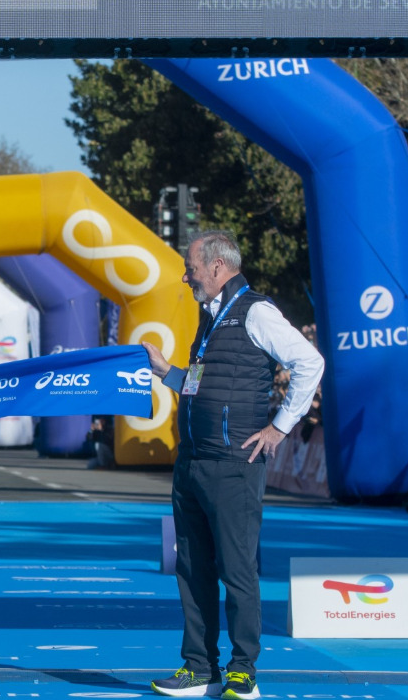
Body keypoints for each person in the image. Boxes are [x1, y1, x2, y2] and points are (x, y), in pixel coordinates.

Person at [142, 230, 324, 700]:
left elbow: (310, 362)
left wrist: (279, 428)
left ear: (217, 267)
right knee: (192, 569)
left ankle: (244, 672)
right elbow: (202, 383)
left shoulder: (256, 312)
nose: (186, 277)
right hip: (193, 461)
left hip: (233, 464)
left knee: (237, 569)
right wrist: (166, 373)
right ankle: (199, 667)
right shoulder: (210, 316)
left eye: (191, 269)